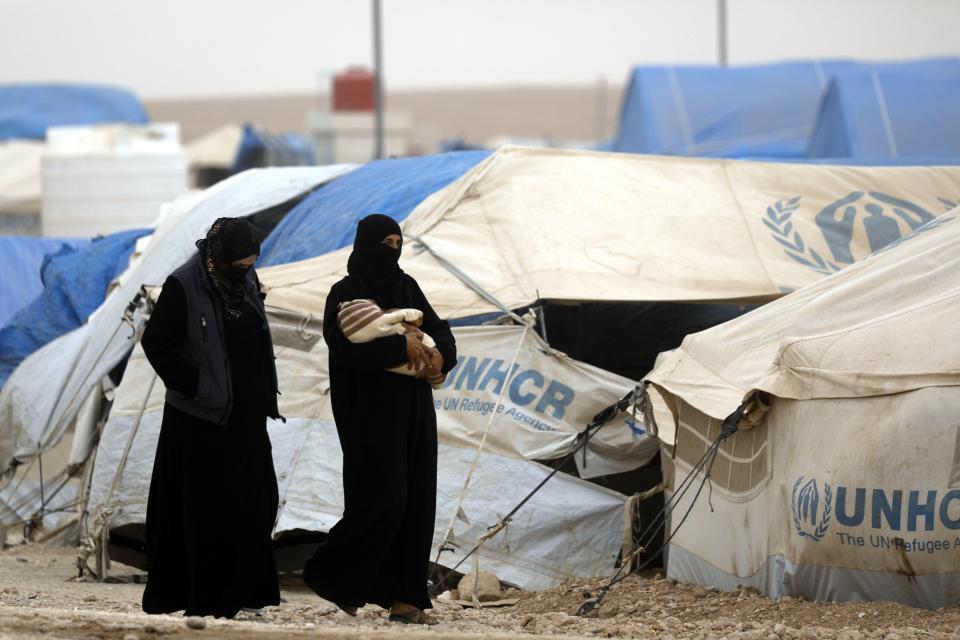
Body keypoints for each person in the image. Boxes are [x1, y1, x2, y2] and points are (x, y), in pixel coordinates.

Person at [303, 214, 456, 625]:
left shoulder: (406, 286)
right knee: (384, 499)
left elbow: (439, 328)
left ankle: (407, 599)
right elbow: (344, 349)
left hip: (413, 407)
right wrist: (398, 346)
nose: (392, 250)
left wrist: (441, 354)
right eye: (384, 242)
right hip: (367, 410)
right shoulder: (344, 292)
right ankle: (330, 574)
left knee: (418, 500)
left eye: (397, 242)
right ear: (365, 243)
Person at [140, 217, 282, 619]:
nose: (246, 270)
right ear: (219, 255)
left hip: (247, 419)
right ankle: (206, 599)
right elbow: (157, 342)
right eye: (239, 263)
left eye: (251, 262)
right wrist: (196, 384)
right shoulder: (185, 285)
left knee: (257, 503)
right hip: (200, 422)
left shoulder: (247, 282)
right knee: (208, 512)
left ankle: (247, 593)